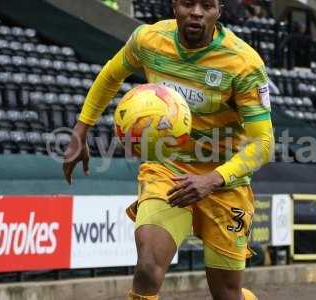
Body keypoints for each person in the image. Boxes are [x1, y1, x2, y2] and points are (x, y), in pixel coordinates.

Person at [63, 0, 274, 299]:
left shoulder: (243, 64)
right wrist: (81, 129)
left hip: (224, 183)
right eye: (189, 3)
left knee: (227, 293)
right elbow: (112, 74)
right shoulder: (148, 40)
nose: (197, 12)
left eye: (207, 5)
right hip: (167, 169)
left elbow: (263, 144)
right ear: (175, 5)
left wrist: (212, 179)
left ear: (219, 11)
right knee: (148, 267)